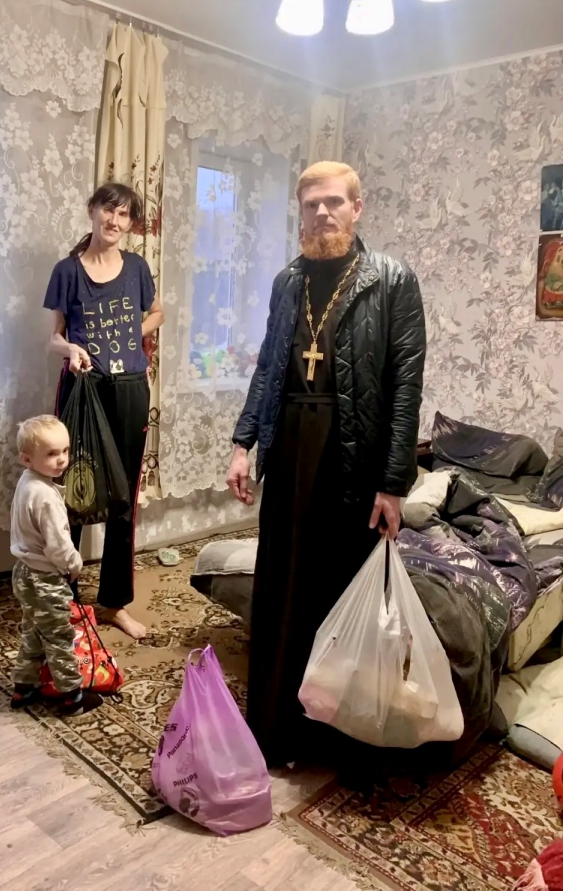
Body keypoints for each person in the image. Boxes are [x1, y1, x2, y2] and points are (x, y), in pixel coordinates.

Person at [226, 160, 426, 768]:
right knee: (282, 584)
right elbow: (268, 368)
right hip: (289, 446)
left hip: (352, 457)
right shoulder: (288, 281)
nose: (322, 213)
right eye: (311, 204)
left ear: (357, 208)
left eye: (334, 202)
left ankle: (333, 737)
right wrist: (242, 444)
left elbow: (405, 388)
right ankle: (275, 725)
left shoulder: (391, 279)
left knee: (336, 589)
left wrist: (393, 483)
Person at [45, 183, 164, 641]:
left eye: (124, 215)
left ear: (130, 223)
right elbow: (54, 336)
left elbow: (157, 313)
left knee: (123, 498)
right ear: (92, 211)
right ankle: (67, 604)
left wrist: (131, 335)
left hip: (130, 388)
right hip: (83, 389)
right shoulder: (67, 271)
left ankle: (113, 603)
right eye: (108, 211)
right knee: (75, 492)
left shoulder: (137, 268)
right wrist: (71, 348)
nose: (114, 221)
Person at [9, 414, 101, 715]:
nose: (61, 459)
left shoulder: (27, 482)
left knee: (34, 631)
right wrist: (74, 565)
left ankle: (24, 686)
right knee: (59, 636)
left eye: (65, 451)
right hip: (45, 578)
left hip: (23, 572)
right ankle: (72, 696)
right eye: (51, 454)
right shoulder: (46, 497)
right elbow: (58, 545)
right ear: (26, 458)